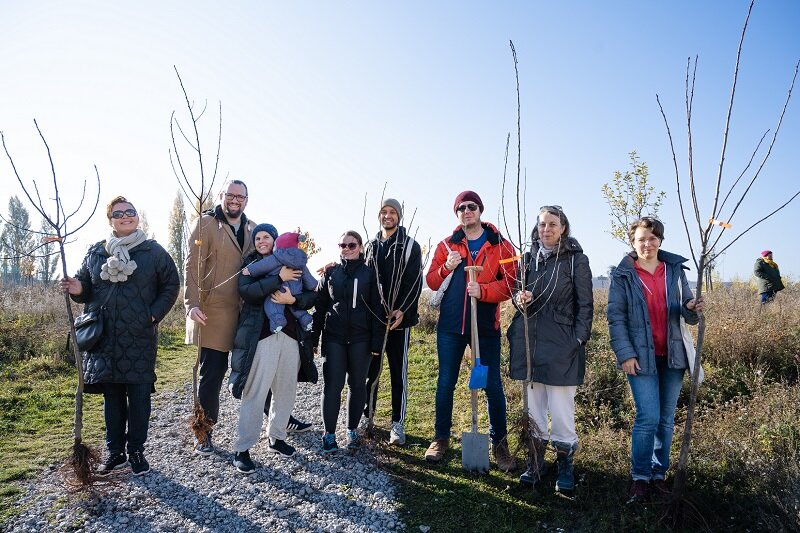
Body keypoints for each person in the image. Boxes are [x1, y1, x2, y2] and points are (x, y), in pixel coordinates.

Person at [61, 196, 179, 476]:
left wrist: (153, 315)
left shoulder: (154, 252)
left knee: (139, 396)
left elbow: (171, 285)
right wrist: (77, 288)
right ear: (110, 220)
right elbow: (86, 289)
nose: (125, 216)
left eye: (130, 212)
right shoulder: (95, 252)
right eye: (118, 213)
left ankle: (137, 451)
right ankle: (116, 453)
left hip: (139, 336)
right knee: (112, 397)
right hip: (105, 338)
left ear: (137, 217)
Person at [607, 217, 704, 503]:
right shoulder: (623, 275)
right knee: (647, 417)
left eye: (652, 238)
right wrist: (625, 354)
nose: (647, 244)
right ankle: (640, 477)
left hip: (673, 355)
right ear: (632, 243)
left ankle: (659, 474)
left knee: (665, 419)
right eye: (641, 239)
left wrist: (692, 308)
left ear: (660, 240)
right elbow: (616, 317)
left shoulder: (673, 270)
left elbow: (689, 315)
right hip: (640, 358)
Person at [424, 190, 517, 472]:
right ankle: (440, 438)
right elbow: (430, 280)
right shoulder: (446, 245)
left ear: (480, 210)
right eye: (461, 208)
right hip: (451, 327)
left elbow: (512, 284)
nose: (467, 211)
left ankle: (500, 446)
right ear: (457, 214)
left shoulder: (502, 246)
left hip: (486, 328)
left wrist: (485, 291)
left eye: (472, 206)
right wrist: (445, 268)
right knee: (445, 383)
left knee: (492, 387)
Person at [507, 205, 593, 493]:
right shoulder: (528, 258)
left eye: (552, 224)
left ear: (563, 228)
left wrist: (578, 340)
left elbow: (586, 305)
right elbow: (516, 296)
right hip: (531, 343)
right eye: (542, 224)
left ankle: (565, 464)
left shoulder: (575, 261)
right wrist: (520, 299)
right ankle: (535, 461)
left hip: (562, 345)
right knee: (534, 407)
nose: (547, 229)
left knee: (562, 408)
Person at [228, 223, 318, 474]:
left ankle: (277, 437)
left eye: (266, 236)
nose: (261, 240)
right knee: (255, 392)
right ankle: (242, 448)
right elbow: (247, 292)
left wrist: (294, 300)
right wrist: (278, 278)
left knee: (286, 389)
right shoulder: (251, 266)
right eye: (257, 237)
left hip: (290, 336)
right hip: (262, 337)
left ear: (276, 240)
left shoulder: (296, 262)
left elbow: (313, 294)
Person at [312, 231, 383, 453]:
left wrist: (375, 343)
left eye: (351, 245)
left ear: (360, 248)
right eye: (342, 245)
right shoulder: (331, 273)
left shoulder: (369, 275)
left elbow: (377, 310)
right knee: (332, 386)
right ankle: (329, 435)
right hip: (334, 338)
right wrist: (314, 338)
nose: (346, 248)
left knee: (357, 385)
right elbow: (320, 307)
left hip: (361, 339)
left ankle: (352, 430)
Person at [363, 198, 423, 446]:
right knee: (370, 372)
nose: (388, 216)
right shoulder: (370, 245)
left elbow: (414, 282)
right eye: (384, 212)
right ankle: (367, 418)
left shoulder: (410, 246)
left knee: (398, 373)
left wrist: (401, 311)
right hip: (374, 321)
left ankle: (397, 424)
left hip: (399, 321)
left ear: (399, 216)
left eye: (392, 212)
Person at [242, 231, 318, 333]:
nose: (261, 241)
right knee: (299, 311)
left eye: (266, 237)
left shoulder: (277, 257)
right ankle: (306, 320)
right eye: (258, 239)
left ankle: (278, 322)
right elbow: (308, 278)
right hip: (296, 291)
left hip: (278, 292)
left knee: (272, 305)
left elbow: (262, 266)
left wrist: (249, 270)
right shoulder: (301, 263)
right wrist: (313, 285)